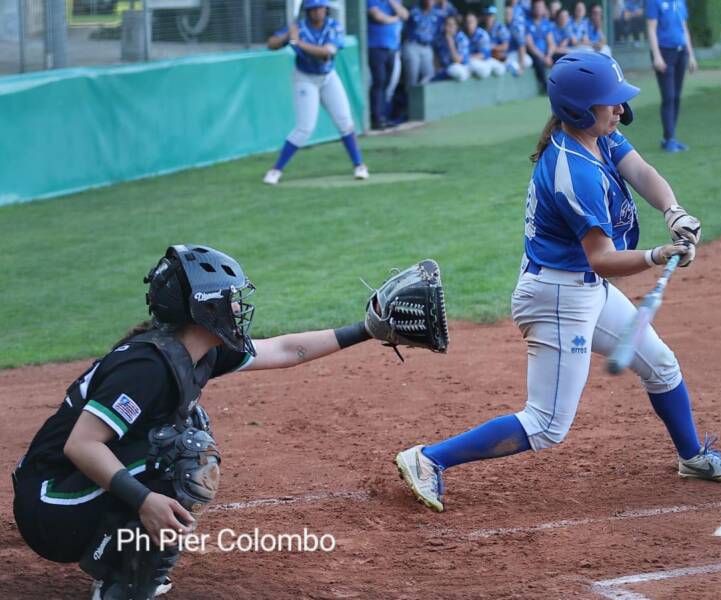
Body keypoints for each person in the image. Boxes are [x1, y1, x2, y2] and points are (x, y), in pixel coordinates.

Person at [394, 53, 721, 514]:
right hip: (558, 297)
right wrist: (655, 255)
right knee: (546, 424)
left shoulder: (598, 138)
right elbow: (601, 259)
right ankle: (427, 459)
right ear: (581, 109)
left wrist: (673, 210)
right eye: (611, 103)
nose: (620, 110)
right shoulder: (574, 171)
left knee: (660, 365)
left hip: (580, 289)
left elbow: (642, 171)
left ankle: (692, 457)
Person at [12, 245, 448, 598]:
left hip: (69, 494)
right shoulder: (146, 367)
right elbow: (82, 445)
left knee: (186, 430)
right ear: (204, 308)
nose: (238, 306)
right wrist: (145, 500)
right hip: (49, 507)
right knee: (182, 454)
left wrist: (367, 329)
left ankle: (127, 558)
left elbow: (285, 350)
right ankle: (122, 581)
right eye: (231, 298)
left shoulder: (198, 351)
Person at [262, 0, 368, 185]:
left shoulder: (334, 26)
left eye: (321, 8)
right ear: (308, 11)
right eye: (314, 9)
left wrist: (297, 42)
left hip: (328, 76)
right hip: (304, 78)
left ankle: (359, 165)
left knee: (345, 122)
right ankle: (275, 170)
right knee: (304, 128)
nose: (318, 12)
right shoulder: (299, 27)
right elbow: (271, 44)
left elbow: (326, 53)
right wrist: (287, 35)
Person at [646, 0, 697, 152]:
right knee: (668, 97)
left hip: (680, 52)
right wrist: (657, 56)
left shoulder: (679, 2)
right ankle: (669, 140)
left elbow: (684, 28)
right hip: (664, 53)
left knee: (676, 97)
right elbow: (651, 29)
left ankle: (670, 138)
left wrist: (691, 56)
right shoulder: (654, 2)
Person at [367, 0, 409, 129]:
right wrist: (395, 18)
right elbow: (379, 17)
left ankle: (384, 116)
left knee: (388, 83)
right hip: (376, 46)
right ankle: (376, 118)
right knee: (379, 81)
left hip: (392, 47)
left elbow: (405, 15)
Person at [402, 0, 440, 88]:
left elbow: (437, 33)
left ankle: (425, 100)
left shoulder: (437, 13)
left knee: (430, 77)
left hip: (427, 47)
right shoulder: (413, 10)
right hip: (412, 45)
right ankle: (410, 101)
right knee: (412, 77)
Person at [524, 0, 555, 88]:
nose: (539, 10)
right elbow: (530, 45)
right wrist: (542, 57)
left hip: (546, 54)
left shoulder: (546, 23)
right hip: (534, 54)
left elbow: (551, 43)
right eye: (536, 7)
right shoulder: (527, 23)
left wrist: (548, 56)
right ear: (532, 8)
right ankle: (545, 87)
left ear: (544, 8)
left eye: (541, 7)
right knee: (539, 62)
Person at [464, 12, 504, 78]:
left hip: (483, 60)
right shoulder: (463, 34)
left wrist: (469, 58)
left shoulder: (482, 34)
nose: (469, 24)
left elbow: (484, 54)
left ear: (476, 22)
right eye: (467, 22)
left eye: (471, 22)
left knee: (500, 69)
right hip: (469, 62)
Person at [434, 15, 471, 81]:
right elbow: (436, 56)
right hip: (445, 70)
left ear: (456, 27)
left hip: (461, 68)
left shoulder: (461, 38)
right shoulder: (440, 38)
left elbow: (458, 60)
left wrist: (450, 42)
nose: (448, 28)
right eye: (447, 25)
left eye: (451, 25)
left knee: (457, 71)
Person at [505, 2, 532, 75]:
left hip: (512, 54)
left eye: (509, 14)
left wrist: (521, 66)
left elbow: (522, 45)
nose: (507, 16)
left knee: (528, 61)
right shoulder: (503, 26)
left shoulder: (516, 27)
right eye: (506, 14)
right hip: (505, 55)